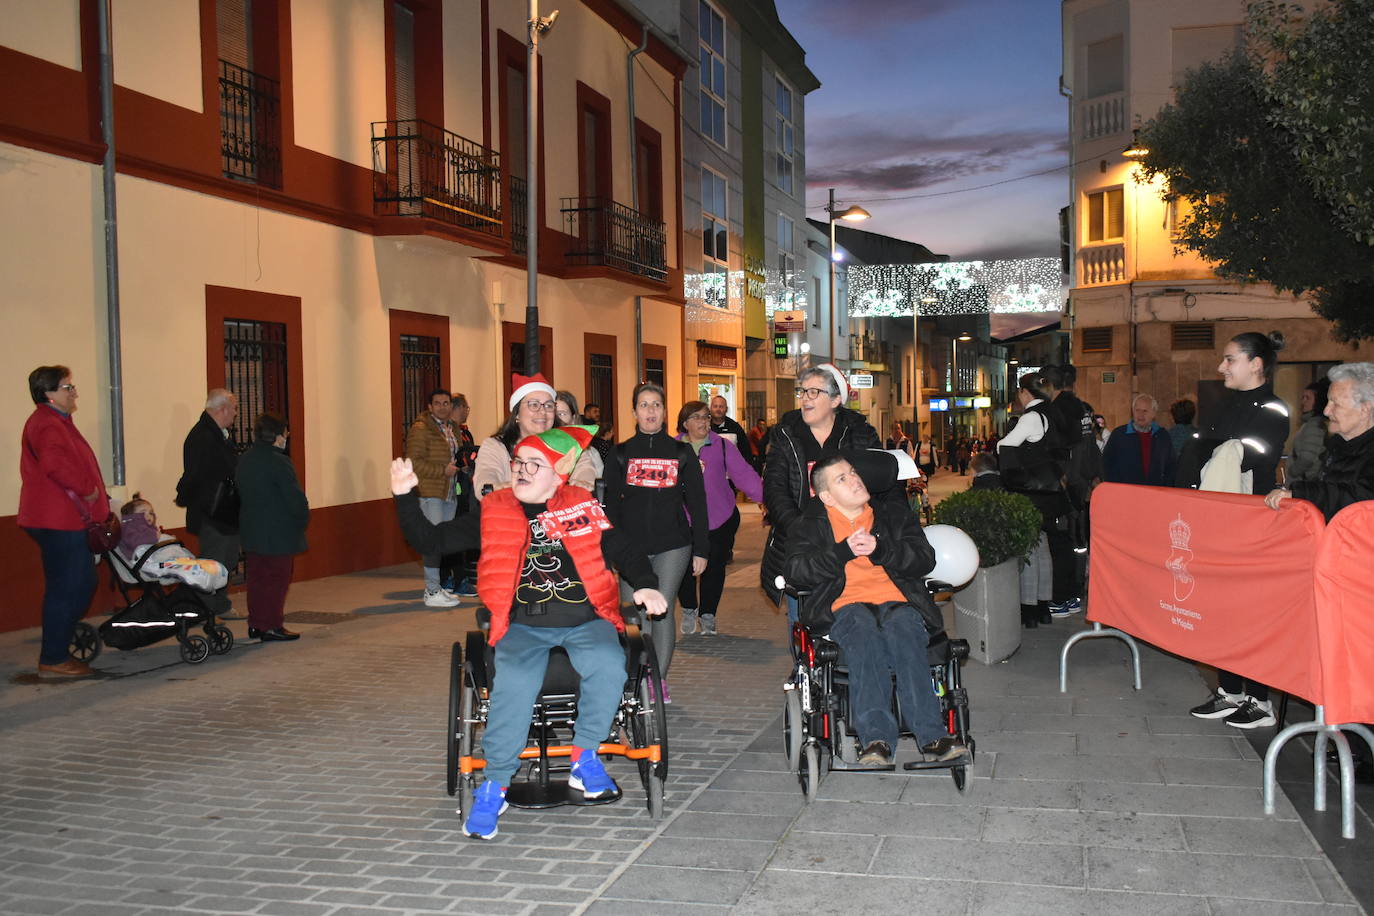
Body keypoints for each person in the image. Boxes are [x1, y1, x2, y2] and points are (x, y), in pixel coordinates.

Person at [389, 427, 667, 839]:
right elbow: (431, 539)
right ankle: (496, 784)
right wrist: (405, 497)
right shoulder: (494, 508)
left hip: (584, 617)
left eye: (531, 465)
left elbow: (623, 549)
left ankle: (583, 757)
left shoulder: (581, 504)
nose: (519, 470)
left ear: (559, 475)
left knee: (611, 664)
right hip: (522, 622)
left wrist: (645, 582)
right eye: (518, 463)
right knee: (515, 681)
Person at [783, 454, 967, 766]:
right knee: (863, 631)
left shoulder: (892, 516)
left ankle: (933, 736)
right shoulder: (810, 525)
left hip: (897, 601)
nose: (854, 479)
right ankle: (876, 739)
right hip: (844, 606)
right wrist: (842, 552)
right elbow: (797, 570)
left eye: (853, 472)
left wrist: (881, 549)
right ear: (826, 496)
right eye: (842, 479)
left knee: (906, 629)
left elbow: (924, 559)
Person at [1266, 362, 1374, 783]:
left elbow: (1360, 500)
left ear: (1366, 409)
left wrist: (1303, 493)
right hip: (1338, 577)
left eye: (1336, 402)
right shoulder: (1341, 446)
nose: (1326, 411)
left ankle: (1362, 748)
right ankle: (1345, 733)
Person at [1182, 331, 1291, 729]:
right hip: (1220, 524)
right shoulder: (1225, 404)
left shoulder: (1275, 408)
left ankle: (1261, 701)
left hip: (1252, 525)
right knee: (1222, 610)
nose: (1221, 367)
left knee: (1253, 613)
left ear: (1256, 364)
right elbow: (1199, 453)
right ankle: (1231, 691)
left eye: (1230, 359)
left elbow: (1253, 455)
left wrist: (1220, 449)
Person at [602, 383, 709, 697]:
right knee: (632, 614)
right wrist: (609, 549)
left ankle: (658, 679)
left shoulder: (681, 452)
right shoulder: (621, 453)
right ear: (634, 412)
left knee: (660, 609)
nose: (650, 411)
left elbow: (699, 504)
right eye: (644, 405)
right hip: (629, 547)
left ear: (664, 412)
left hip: (672, 545)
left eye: (657, 405)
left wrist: (701, 548)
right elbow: (610, 507)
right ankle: (635, 675)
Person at [761, 364, 882, 618]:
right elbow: (774, 488)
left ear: (836, 399)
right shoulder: (785, 434)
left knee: (854, 613)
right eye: (803, 391)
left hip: (852, 537)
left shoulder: (860, 435)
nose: (805, 398)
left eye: (814, 392)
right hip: (802, 540)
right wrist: (799, 529)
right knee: (804, 623)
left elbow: (880, 485)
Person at [19, 366, 111, 677]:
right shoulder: (48, 424)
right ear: (49, 393)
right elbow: (54, 464)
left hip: (61, 519)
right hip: (59, 519)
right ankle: (54, 658)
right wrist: (87, 490)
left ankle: (57, 647)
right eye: (67, 386)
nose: (73, 392)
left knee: (77, 583)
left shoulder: (56, 421)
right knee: (69, 586)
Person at [674, 400, 763, 637]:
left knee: (714, 568)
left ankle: (708, 613)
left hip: (719, 517)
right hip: (683, 520)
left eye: (706, 417)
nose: (704, 422)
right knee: (683, 569)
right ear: (685, 423)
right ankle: (689, 608)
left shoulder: (721, 446)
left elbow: (744, 475)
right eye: (697, 418)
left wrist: (768, 500)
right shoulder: (671, 448)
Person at [998, 372, 1064, 629]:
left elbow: (1005, 445)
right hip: (1050, 492)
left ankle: (1029, 610)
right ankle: (1044, 606)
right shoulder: (1052, 413)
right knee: (1043, 549)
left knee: (1029, 551)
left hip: (1031, 493)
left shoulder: (1031, 417)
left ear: (1025, 393)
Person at [235, 413, 308, 642]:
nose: (287, 437)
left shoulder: (245, 459)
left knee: (257, 579)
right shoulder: (280, 461)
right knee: (277, 580)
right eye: (285, 433)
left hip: (252, 528)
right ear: (277, 437)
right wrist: (302, 517)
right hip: (278, 531)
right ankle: (273, 625)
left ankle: (256, 623)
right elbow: (294, 497)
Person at [473, 374, 599, 499]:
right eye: (534, 405)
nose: (543, 411)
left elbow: (584, 468)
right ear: (517, 413)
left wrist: (582, 483)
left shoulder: (566, 442)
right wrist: (497, 487)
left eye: (549, 405)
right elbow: (486, 475)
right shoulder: (496, 446)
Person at [174, 388, 240, 614]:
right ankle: (207, 610)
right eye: (234, 408)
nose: (235, 413)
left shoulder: (217, 434)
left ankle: (220, 605)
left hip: (225, 511)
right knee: (213, 562)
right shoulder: (202, 436)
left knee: (227, 560)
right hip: (212, 512)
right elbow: (196, 476)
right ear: (222, 409)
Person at [406, 388, 464, 608]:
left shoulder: (452, 428)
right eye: (438, 403)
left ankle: (438, 587)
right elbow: (414, 462)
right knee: (432, 543)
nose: (443, 407)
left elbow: (455, 457)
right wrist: (443, 470)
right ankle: (431, 591)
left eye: (446, 403)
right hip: (431, 493)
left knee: (443, 542)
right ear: (430, 407)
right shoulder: (421, 430)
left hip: (450, 491)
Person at [1102, 394, 1177, 486]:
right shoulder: (1119, 434)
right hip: (1125, 492)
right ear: (1132, 411)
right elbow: (1106, 464)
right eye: (1137, 410)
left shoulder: (1162, 436)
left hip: (1155, 492)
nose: (1140, 415)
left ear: (1153, 413)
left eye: (1145, 411)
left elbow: (1171, 465)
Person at [1286, 380, 1329, 485]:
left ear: (1318, 401)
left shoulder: (1314, 425)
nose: (1303, 401)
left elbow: (1307, 457)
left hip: (1303, 482)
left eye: (1308, 398)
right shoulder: (1314, 423)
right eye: (1303, 397)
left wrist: (1292, 472)